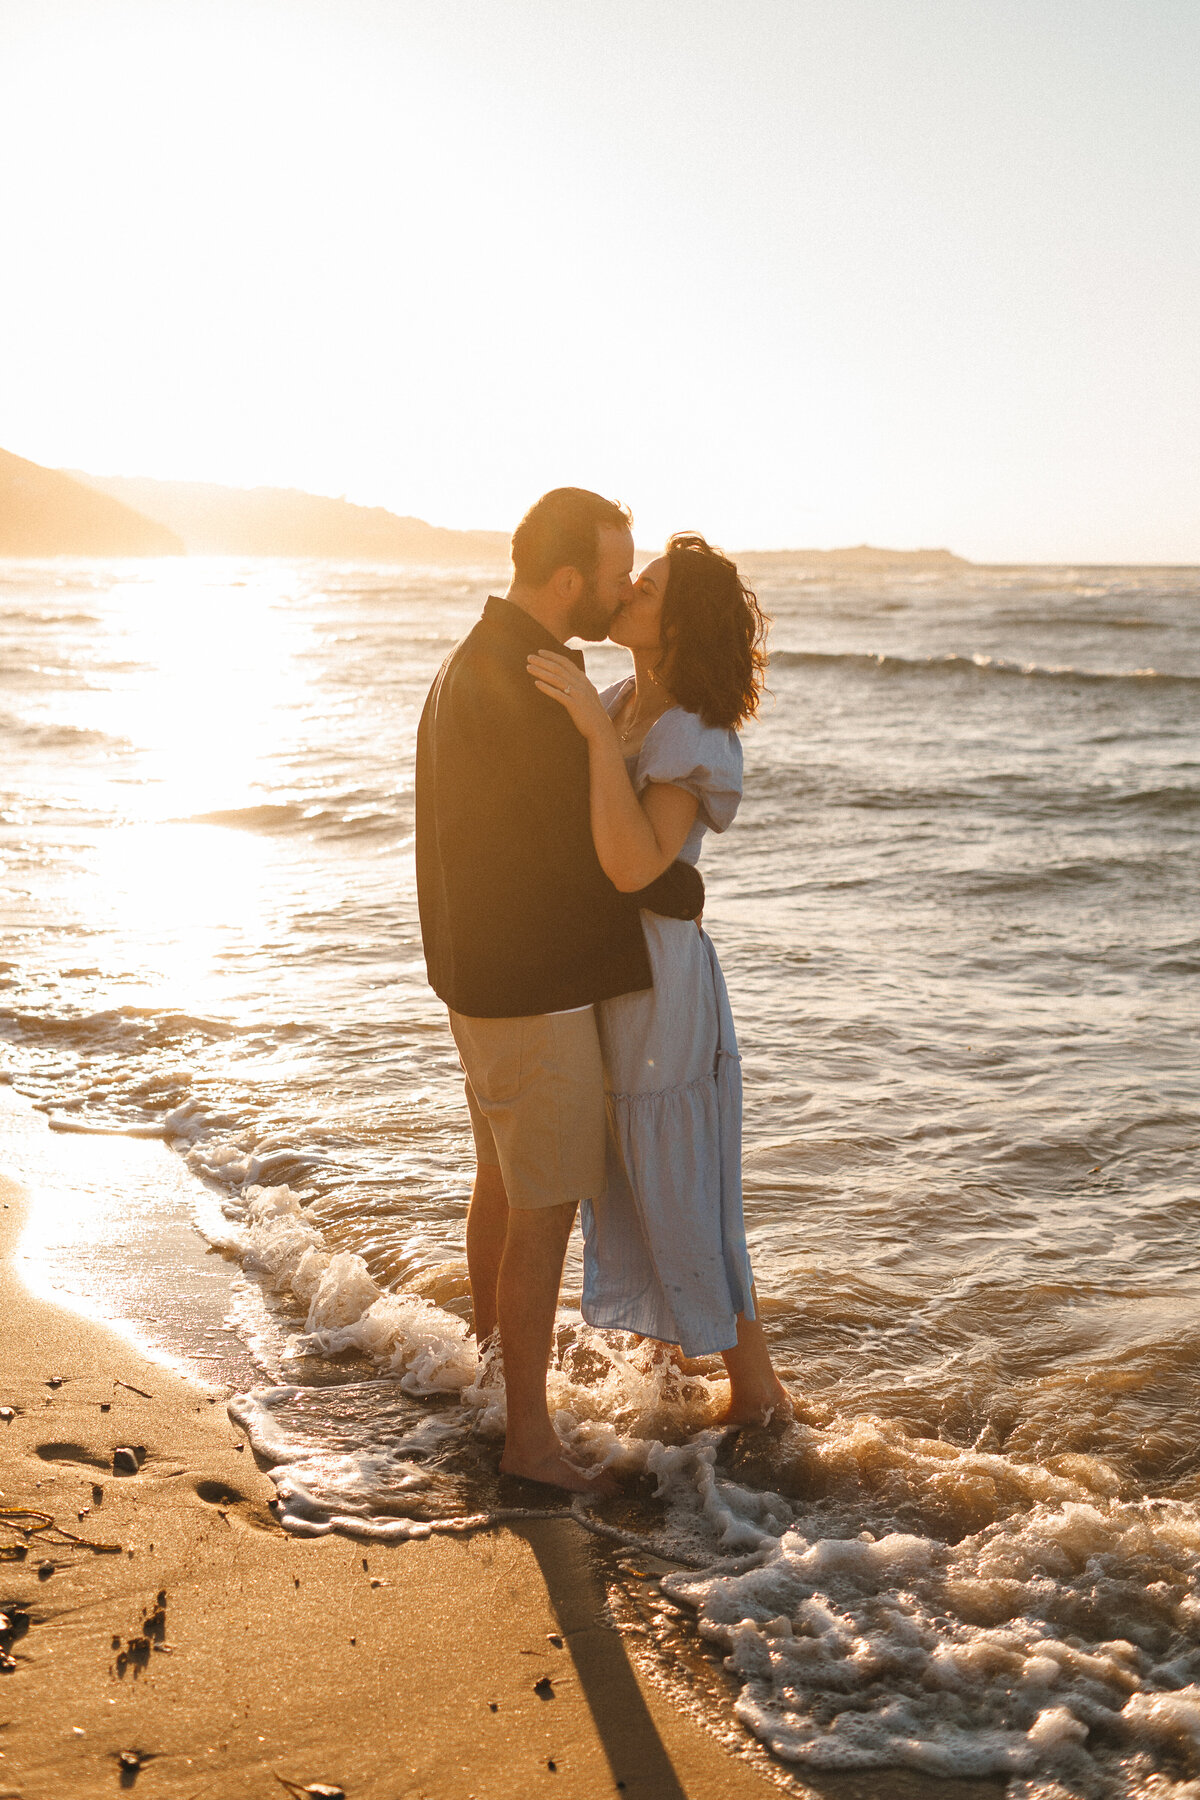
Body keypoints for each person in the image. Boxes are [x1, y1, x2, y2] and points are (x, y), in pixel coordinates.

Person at [415, 488, 706, 1492]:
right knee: (542, 1212)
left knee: (500, 1182)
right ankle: (529, 1441)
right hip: (529, 996)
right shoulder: (535, 686)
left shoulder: (471, 661)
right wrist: (684, 883)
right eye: (617, 573)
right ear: (571, 578)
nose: (625, 589)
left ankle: (498, 1378)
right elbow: (595, 858)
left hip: (473, 982)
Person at [527, 533, 791, 1425]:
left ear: (680, 624)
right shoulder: (620, 699)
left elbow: (637, 864)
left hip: (658, 982)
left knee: (679, 1177)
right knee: (634, 1174)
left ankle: (758, 1393)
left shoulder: (687, 729)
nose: (629, 588)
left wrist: (596, 738)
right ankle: (669, 1384)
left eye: (651, 585)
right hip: (611, 967)